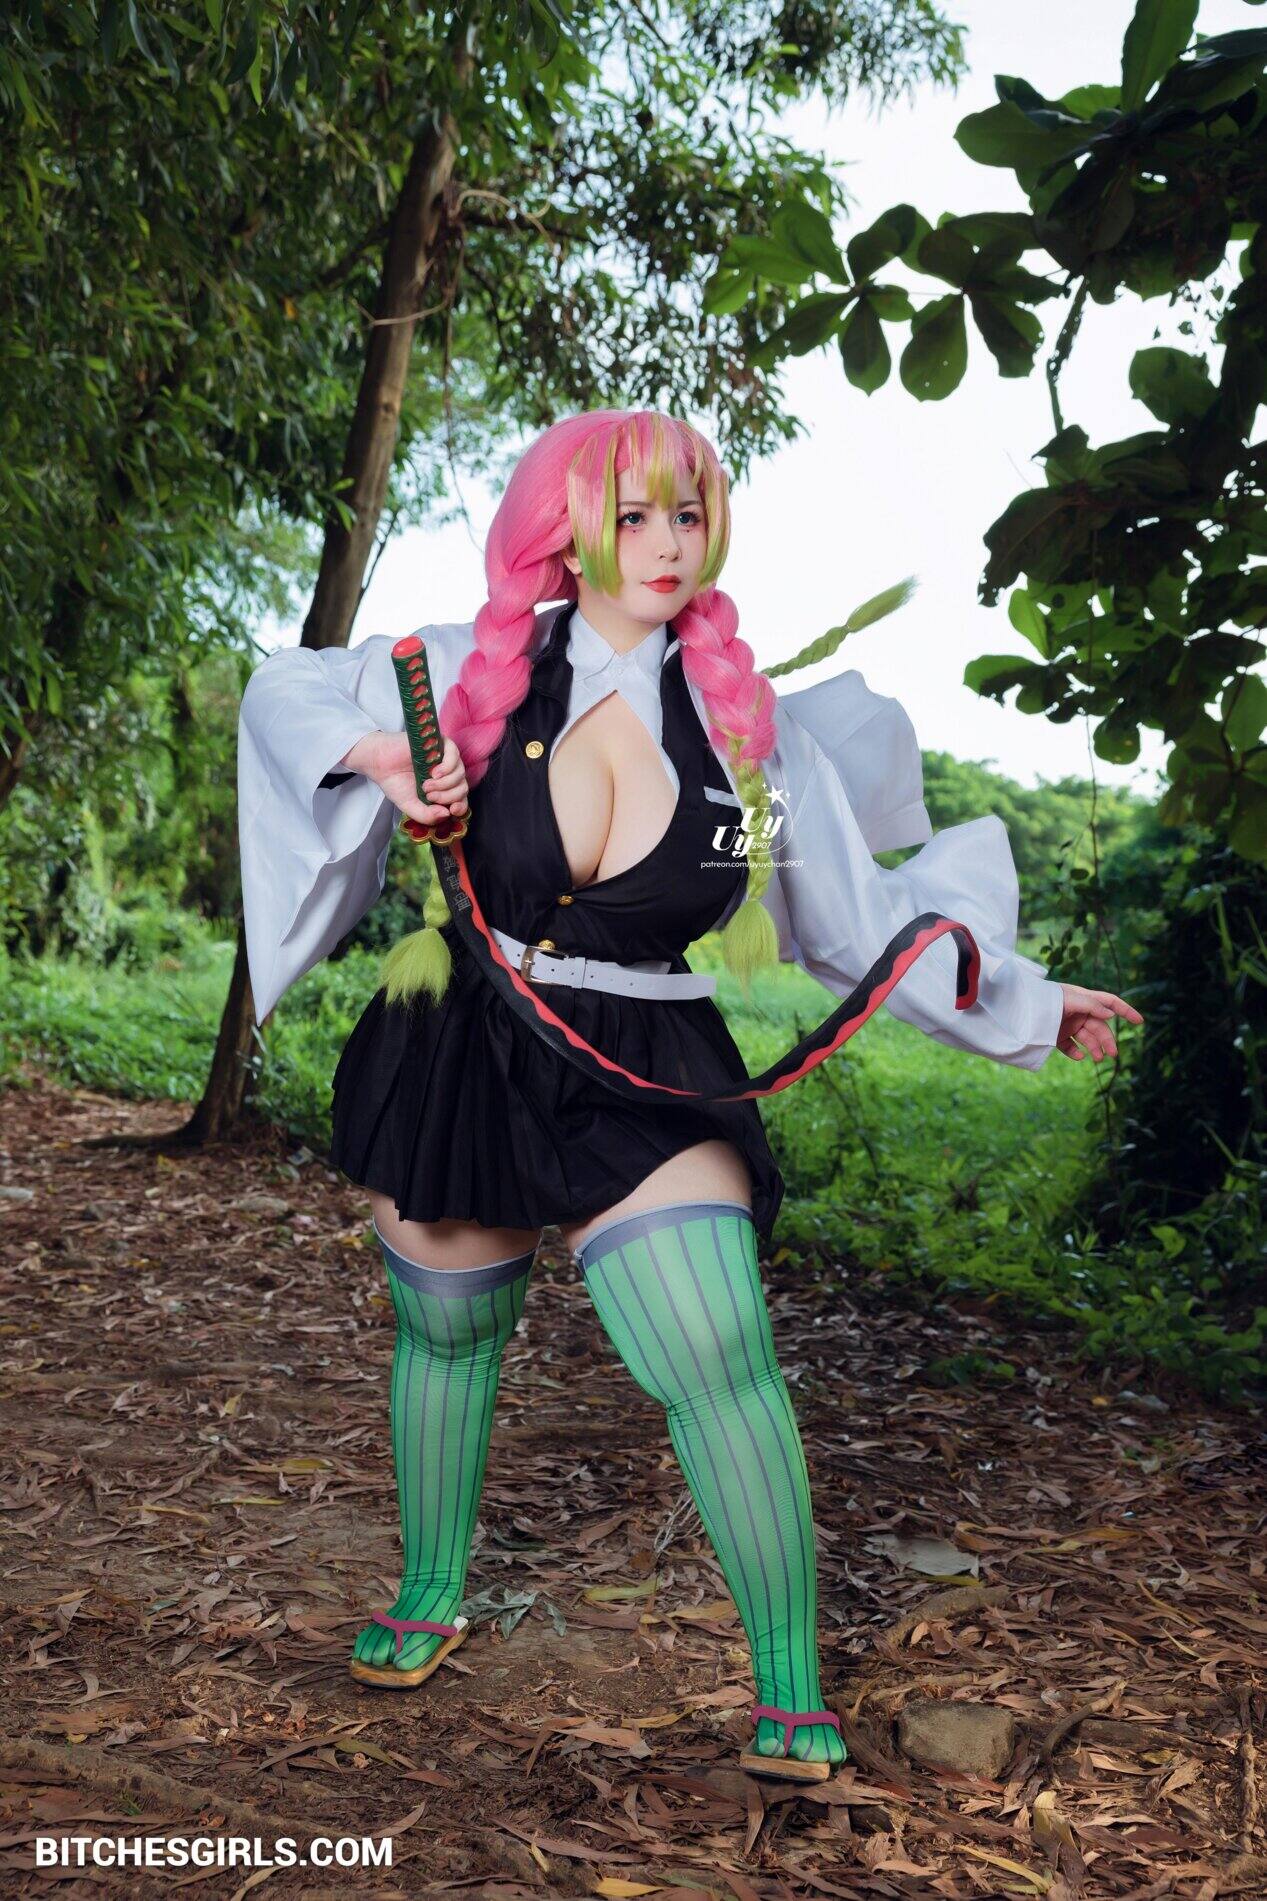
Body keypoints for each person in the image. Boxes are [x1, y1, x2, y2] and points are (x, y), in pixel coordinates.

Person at [236, 408, 1141, 1779]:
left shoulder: (747, 732)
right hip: (473, 1034)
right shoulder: (465, 668)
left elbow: (856, 919)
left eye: (690, 512)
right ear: (568, 528)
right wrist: (383, 761)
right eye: (635, 514)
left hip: (651, 1059)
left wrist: (1030, 1001)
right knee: (449, 1333)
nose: (667, 543)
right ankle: (431, 1587)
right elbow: (283, 691)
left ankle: (790, 1683)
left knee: (720, 1347)